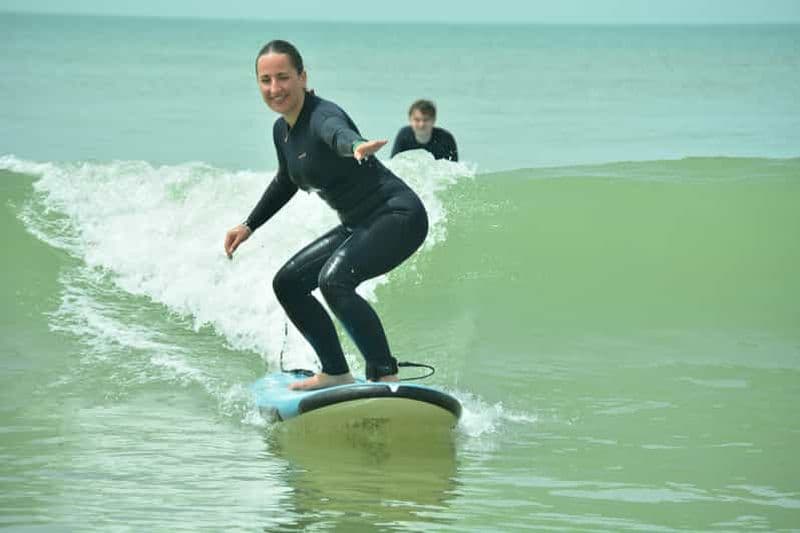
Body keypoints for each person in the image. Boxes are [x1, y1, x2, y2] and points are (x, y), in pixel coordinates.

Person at [224, 40, 429, 391]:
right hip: (358, 223)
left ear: (303, 77)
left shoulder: (322, 115)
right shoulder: (283, 131)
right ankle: (335, 371)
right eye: (266, 80)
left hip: (397, 215)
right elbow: (286, 179)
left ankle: (384, 373)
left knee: (334, 281)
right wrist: (249, 225)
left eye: (284, 77)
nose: (275, 89)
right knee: (288, 283)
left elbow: (337, 135)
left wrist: (355, 146)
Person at [391, 99, 458, 161]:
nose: (421, 124)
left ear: (433, 120)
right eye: (417, 120)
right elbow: (393, 164)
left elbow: (455, 167)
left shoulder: (446, 139)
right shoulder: (404, 136)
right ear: (410, 120)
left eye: (426, 120)